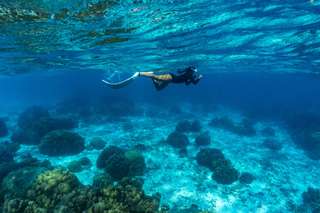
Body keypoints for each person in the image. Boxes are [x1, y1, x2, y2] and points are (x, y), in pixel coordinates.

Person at [136, 66, 202, 91]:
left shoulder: (189, 75)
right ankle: (139, 73)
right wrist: (199, 78)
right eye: (194, 72)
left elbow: (187, 84)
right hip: (170, 78)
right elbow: (195, 83)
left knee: (158, 88)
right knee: (156, 76)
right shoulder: (190, 75)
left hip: (170, 80)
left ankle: (151, 76)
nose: (194, 73)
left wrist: (194, 78)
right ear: (192, 71)